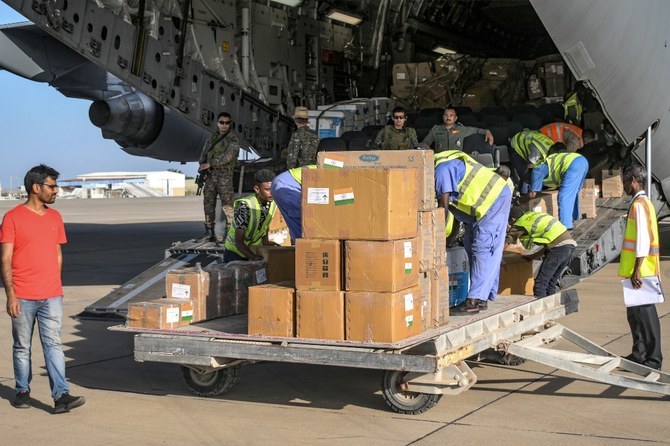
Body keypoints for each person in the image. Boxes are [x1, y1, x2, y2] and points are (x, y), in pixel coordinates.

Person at [0, 164, 86, 414]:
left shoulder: (55, 217)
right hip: (22, 296)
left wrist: (55, 285)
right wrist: (11, 295)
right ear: (36, 188)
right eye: (52, 186)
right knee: (22, 346)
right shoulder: (12, 217)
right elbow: (5, 258)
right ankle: (22, 391)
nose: (56, 190)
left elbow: (57, 253)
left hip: (51, 295)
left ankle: (61, 395)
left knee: (53, 345)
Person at [434, 150, 512, 314]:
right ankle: (482, 297)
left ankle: (474, 300)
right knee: (470, 245)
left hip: (493, 199)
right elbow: (455, 211)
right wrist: (449, 240)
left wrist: (435, 239)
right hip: (479, 208)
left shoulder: (440, 170)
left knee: (483, 248)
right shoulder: (443, 164)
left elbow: (443, 208)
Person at [619, 163, 662, 370]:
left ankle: (653, 359)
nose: (624, 186)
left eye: (625, 182)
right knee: (634, 315)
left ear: (634, 180)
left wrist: (637, 269)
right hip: (636, 270)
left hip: (641, 271)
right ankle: (639, 353)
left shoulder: (639, 205)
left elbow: (643, 239)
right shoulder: (644, 203)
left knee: (646, 316)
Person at [506, 207, 576, 297]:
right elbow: (547, 244)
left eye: (508, 222)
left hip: (558, 248)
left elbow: (506, 242)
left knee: (540, 283)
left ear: (513, 219)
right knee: (551, 282)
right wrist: (532, 256)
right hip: (569, 245)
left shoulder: (520, 224)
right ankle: (550, 303)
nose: (509, 225)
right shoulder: (532, 216)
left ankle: (540, 302)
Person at [198, 111, 240, 242]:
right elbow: (204, 154)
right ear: (217, 123)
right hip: (211, 175)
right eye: (222, 122)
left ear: (230, 124)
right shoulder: (212, 138)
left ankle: (229, 233)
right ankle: (209, 232)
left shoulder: (233, 139)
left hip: (224, 176)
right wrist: (202, 168)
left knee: (227, 205)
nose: (224, 125)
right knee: (208, 203)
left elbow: (228, 157)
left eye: (227, 123)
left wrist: (210, 164)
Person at [223, 169, 278, 262]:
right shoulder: (245, 206)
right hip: (235, 253)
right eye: (268, 190)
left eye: (273, 189)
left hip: (253, 250)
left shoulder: (272, 203)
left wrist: (266, 242)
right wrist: (253, 257)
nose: (272, 193)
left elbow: (264, 225)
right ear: (257, 189)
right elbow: (238, 242)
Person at [529, 152, 589, 230]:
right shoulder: (544, 165)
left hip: (572, 165)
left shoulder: (536, 171)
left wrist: (527, 203)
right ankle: (572, 217)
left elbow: (533, 194)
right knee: (573, 192)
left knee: (564, 196)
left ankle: (566, 225)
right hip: (582, 160)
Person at [270, 165, 316, 240]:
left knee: (296, 221)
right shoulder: (333, 172)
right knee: (310, 215)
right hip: (287, 185)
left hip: (281, 184)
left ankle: (302, 244)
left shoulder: (327, 166)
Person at [422, 107, 494, 152]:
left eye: (451, 115)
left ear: (455, 118)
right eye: (446, 115)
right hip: (440, 160)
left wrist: (487, 132)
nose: (448, 117)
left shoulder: (462, 129)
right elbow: (425, 143)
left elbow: (477, 130)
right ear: (443, 117)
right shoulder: (435, 130)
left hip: (457, 159)